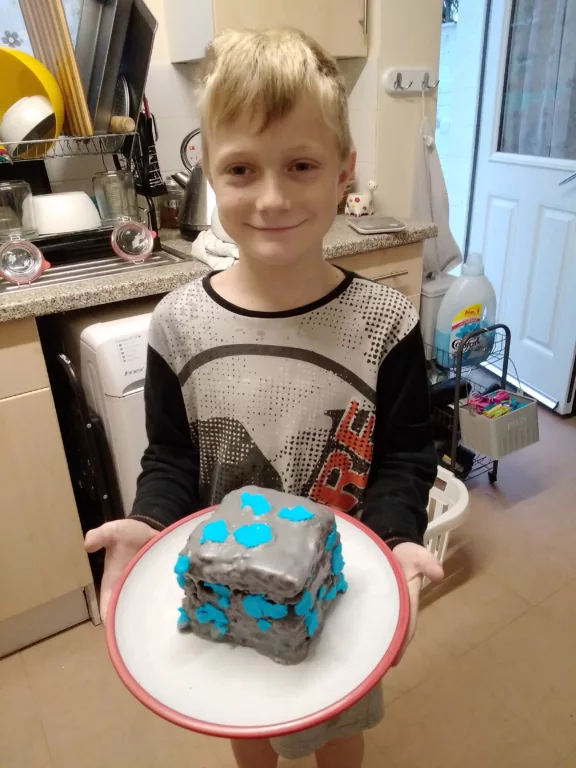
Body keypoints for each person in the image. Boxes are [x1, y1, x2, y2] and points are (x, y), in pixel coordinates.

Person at [85, 27, 444, 768]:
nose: (273, 197)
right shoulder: (177, 325)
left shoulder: (389, 325)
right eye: (242, 169)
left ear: (345, 171)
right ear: (211, 177)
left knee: (340, 730)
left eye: (302, 165)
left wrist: (398, 539)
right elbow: (172, 458)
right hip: (232, 598)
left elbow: (407, 456)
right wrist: (148, 521)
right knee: (247, 729)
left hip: (341, 599)